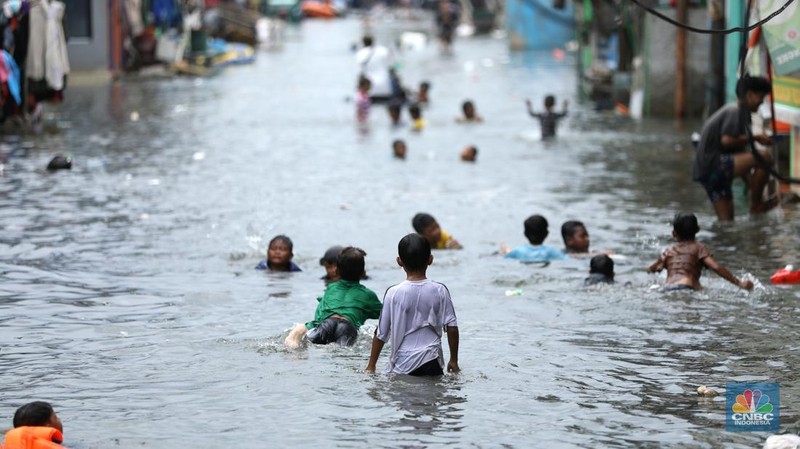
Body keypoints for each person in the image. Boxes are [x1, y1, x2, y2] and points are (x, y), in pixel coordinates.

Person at [364, 233, 459, 375]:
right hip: (432, 360)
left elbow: (381, 333)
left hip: (403, 363)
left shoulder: (393, 293)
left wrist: (371, 366)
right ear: (430, 260)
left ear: (399, 261)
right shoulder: (440, 290)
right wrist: (453, 360)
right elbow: (452, 328)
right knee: (434, 396)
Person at [692, 75, 776, 221]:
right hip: (714, 164)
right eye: (761, 97)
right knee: (764, 157)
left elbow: (738, 152)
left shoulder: (740, 113)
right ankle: (756, 206)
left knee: (727, 223)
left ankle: (725, 242)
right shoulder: (735, 111)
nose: (762, 102)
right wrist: (756, 137)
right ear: (750, 95)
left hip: (705, 171)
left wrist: (752, 186)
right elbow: (726, 141)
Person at [285, 247, 382, 348]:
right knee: (343, 352)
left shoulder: (331, 287)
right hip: (347, 328)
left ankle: (298, 332)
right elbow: (386, 314)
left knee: (310, 342)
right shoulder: (368, 295)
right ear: (363, 273)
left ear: (337, 271)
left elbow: (321, 310)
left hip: (327, 324)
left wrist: (314, 325)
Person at [646, 213, 753, 291]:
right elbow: (716, 267)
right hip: (686, 286)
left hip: (667, 288)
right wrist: (739, 283)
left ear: (674, 233)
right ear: (698, 230)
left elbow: (651, 269)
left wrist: (658, 267)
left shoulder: (669, 251)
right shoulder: (699, 248)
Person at [503, 215, 567, 262]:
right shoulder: (552, 252)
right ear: (547, 234)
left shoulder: (517, 251)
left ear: (525, 234)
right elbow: (566, 259)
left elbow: (505, 257)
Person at [355, 35, 392, 102]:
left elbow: (360, 72)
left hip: (369, 91)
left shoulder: (361, 53)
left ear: (363, 43)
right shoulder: (383, 50)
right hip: (385, 89)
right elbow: (391, 66)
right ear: (373, 42)